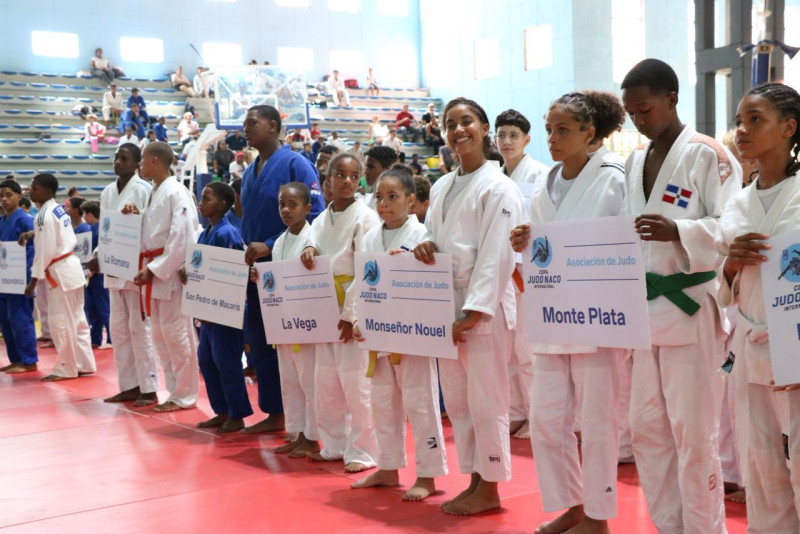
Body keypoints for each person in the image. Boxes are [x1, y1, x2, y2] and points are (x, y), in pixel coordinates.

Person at [621, 58, 742, 533]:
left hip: (690, 311)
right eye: (631, 113)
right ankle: (670, 526)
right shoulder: (634, 161)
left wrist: (680, 231)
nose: (638, 119)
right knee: (648, 431)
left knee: (694, 436)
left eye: (645, 109)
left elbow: (734, 228)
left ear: (672, 98)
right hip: (643, 315)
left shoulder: (709, 155)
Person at [510, 91, 627, 534]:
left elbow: (627, 243)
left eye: (563, 130)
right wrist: (526, 238)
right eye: (549, 130)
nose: (553, 139)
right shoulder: (546, 182)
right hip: (553, 312)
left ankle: (598, 518)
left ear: (588, 132)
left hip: (598, 317)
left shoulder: (614, 177)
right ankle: (572, 506)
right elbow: (544, 243)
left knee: (597, 424)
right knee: (545, 421)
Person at [412, 97, 524, 516]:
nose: (458, 130)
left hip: (482, 304)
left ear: (484, 128)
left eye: (467, 121)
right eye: (450, 124)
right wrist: (424, 245)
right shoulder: (442, 185)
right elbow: (434, 237)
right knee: (459, 402)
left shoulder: (500, 187)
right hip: (446, 301)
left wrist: (474, 312)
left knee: (487, 399)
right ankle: (475, 479)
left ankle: (491, 486)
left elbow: (498, 253)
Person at [716, 81, 800, 532]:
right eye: (739, 122)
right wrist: (731, 262)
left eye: (755, 120)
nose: (742, 130)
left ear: (789, 128)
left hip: (796, 341)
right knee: (761, 462)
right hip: (751, 341)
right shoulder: (738, 199)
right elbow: (728, 280)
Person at [350, 165, 448, 500]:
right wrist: (356, 318)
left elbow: (434, 279)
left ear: (411, 200)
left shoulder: (422, 235)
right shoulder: (369, 237)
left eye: (393, 197)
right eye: (379, 197)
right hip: (379, 332)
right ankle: (388, 467)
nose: (384, 204)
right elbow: (362, 283)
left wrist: (409, 261)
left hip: (413, 334)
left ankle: (428, 475)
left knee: (420, 404)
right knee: (382, 404)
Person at [240, 105, 325, 433]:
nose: (246, 129)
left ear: (273, 126)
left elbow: (314, 214)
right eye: (245, 124)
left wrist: (270, 243)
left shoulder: (296, 163)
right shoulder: (250, 169)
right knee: (261, 341)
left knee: (293, 347)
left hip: (288, 267)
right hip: (257, 270)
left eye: (253, 123)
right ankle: (276, 412)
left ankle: (308, 422)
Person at [300, 153, 379, 472]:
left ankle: (364, 450)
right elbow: (311, 246)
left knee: (357, 383)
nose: (347, 181)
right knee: (325, 382)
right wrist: (309, 248)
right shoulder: (321, 219)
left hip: (351, 306)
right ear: (328, 180)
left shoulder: (366, 218)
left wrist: (351, 314)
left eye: (354, 176)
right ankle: (333, 444)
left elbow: (366, 269)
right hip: (322, 305)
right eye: (341, 175)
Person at [126, 141, 200, 412]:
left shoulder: (176, 191)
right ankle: (174, 392)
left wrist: (155, 268)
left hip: (170, 273)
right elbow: (156, 227)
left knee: (177, 335)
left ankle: (185, 394)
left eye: (143, 159)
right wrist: (138, 214)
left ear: (154, 160)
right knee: (161, 336)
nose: (140, 164)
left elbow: (182, 236)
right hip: (155, 270)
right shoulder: (156, 191)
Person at [494, 108, 550, 440]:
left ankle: (535, 414)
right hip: (501, 269)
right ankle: (515, 411)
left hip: (529, 270)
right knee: (508, 348)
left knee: (528, 348)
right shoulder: (494, 178)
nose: (507, 141)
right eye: (502, 135)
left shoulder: (542, 175)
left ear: (527, 139)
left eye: (514, 135)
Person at [91, 143, 160, 405]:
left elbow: (149, 228)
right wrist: (98, 253)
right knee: (119, 331)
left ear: (136, 163)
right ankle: (129, 385)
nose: (117, 162)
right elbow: (105, 229)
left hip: (134, 268)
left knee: (139, 329)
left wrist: (147, 266)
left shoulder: (143, 189)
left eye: (124, 158)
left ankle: (149, 387)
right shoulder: (108, 191)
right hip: (112, 265)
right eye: (116, 157)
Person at [181, 182, 252, 432]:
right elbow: (200, 267)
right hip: (208, 311)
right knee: (207, 360)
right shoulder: (205, 233)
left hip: (225, 311)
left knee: (227, 362)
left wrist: (219, 307)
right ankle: (221, 411)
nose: (201, 203)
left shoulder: (228, 233)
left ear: (222, 204)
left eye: (207, 199)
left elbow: (231, 276)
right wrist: (187, 272)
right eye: (201, 198)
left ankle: (237, 414)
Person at [21, 174, 96, 381]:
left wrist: (33, 281)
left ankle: (66, 368)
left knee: (60, 322)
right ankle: (83, 363)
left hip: (60, 272)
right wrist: (32, 235)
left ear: (48, 191)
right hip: (71, 269)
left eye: (35, 188)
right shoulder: (57, 209)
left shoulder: (43, 215)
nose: (31, 191)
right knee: (77, 320)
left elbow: (44, 251)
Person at [270, 182, 320, 458]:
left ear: (307, 208)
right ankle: (298, 433)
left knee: (309, 382)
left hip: (307, 321)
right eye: (282, 205)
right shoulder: (280, 241)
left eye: (293, 205)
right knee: (289, 381)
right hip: (284, 321)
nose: (286, 210)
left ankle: (313, 437)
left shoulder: (313, 238)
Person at [0, 179, 38, 373]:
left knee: (20, 319)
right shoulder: (1, 220)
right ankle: (16, 359)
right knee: (6, 321)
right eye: (1, 196)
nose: (4, 200)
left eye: (8, 195)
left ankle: (29, 360)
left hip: (19, 278)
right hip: (3, 278)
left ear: (19, 196)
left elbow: (32, 250)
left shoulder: (25, 220)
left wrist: (28, 278)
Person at [79, 200, 111, 349]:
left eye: (85, 214)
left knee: (103, 307)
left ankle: (111, 339)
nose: (84, 217)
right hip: (91, 273)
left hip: (98, 273)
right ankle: (95, 338)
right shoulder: (92, 230)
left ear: (90, 215)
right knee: (92, 307)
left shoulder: (100, 231)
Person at [363, 146, 398, 210]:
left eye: (371, 167)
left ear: (387, 170)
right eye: (366, 167)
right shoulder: (365, 200)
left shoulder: (397, 204)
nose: (366, 172)